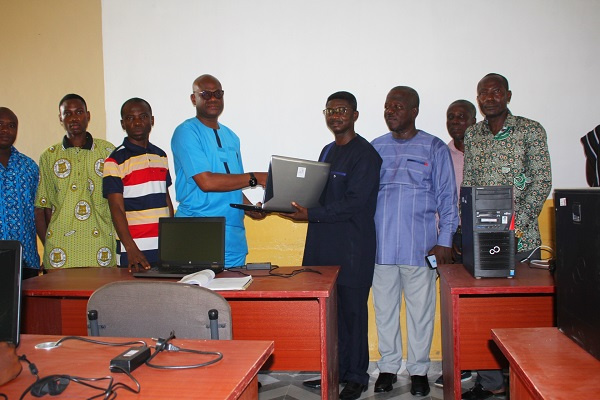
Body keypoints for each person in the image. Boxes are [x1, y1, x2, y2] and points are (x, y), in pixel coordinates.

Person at [284, 91, 381, 400]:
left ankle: (356, 377)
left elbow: (354, 203)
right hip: (324, 246)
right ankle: (335, 372)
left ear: (354, 115)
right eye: (330, 110)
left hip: (353, 247)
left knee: (353, 313)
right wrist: (287, 202)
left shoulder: (366, 154)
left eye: (342, 110)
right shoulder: (327, 150)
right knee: (331, 313)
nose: (335, 115)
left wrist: (310, 212)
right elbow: (318, 193)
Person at [462, 73, 552, 400]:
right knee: (485, 312)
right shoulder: (473, 135)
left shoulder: (530, 130)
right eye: (483, 92)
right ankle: (491, 381)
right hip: (484, 244)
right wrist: (469, 228)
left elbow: (542, 181)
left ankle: (527, 383)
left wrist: (518, 223)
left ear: (508, 95)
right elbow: (469, 184)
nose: (489, 97)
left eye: (495, 91)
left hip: (523, 241)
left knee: (524, 315)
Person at [371, 86, 458, 397]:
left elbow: (448, 198)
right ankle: (389, 367)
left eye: (397, 106)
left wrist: (445, 240)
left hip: (420, 247)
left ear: (414, 111)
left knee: (421, 312)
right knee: (384, 310)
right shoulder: (375, 147)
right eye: (387, 106)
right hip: (380, 247)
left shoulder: (434, 148)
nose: (390, 111)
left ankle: (419, 369)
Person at [171, 74, 266, 268]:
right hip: (197, 235)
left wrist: (249, 209)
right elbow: (206, 182)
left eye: (218, 94)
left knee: (231, 298)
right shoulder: (186, 132)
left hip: (232, 238)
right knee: (195, 298)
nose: (213, 98)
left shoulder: (232, 137)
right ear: (193, 98)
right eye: (205, 94)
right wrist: (255, 178)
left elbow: (231, 185)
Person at [35, 94, 116, 269]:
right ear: (60, 118)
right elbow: (42, 206)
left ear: (88, 116)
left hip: (101, 246)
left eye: (79, 112)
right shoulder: (49, 156)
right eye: (67, 113)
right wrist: (49, 243)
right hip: (60, 250)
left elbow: (117, 202)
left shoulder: (108, 151)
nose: (73, 118)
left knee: (99, 295)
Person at [433, 99, 477, 388]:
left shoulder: (484, 152)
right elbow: (438, 198)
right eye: (451, 117)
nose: (455, 121)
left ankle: (486, 367)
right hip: (452, 238)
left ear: (474, 120)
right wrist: (445, 237)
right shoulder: (442, 153)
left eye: (462, 116)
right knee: (454, 306)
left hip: (484, 237)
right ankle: (460, 365)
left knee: (481, 305)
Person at [103, 98, 174, 272]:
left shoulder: (161, 156)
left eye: (142, 116)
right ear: (123, 123)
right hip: (135, 251)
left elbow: (165, 199)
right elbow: (116, 208)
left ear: (152, 120)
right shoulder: (114, 161)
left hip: (163, 248)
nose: (136, 122)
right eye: (130, 118)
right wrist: (131, 248)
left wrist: (172, 239)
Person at [0, 107, 41, 278]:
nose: (5, 130)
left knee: (24, 306)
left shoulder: (29, 167)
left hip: (25, 259)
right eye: (0, 124)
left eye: (11, 125)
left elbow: (39, 211)